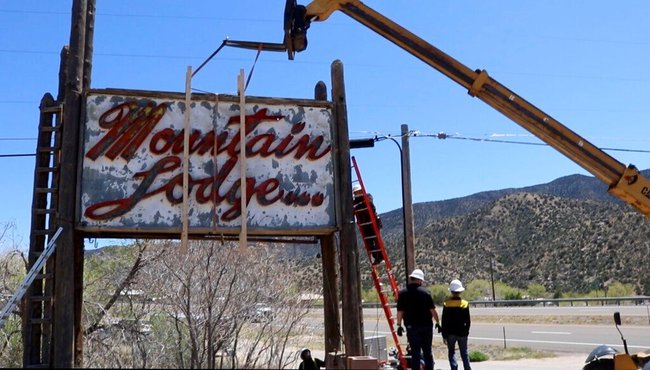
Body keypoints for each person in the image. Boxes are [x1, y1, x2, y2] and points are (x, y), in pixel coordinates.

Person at [396, 269, 440, 370]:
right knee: (427, 352)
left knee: (415, 353)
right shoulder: (425, 293)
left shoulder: (403, 293)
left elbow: (400, 311)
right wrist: (438, 322)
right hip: (426, 327)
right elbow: (432, 310)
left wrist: (399, 325)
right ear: (420, 280)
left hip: (411, 327)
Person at [441, 279, 472, 370]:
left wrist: (444, 335)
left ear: (451, 291)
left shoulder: (446, 304)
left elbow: (444, 321)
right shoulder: (465, 304)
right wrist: (466, 331)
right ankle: (467, 368)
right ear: (460, 291)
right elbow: (468, 321)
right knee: (464, 352)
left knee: (451, 352)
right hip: (462, 333)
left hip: (450, 333)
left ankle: (454, 368)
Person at [352, 184, 384, 265]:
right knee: (369, 242)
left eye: (359, 191)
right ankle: (376, 257)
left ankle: (381, 257)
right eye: (356, 193)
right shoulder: (355, 202)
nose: (358, 193)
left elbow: (370, 205)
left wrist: (357, 207)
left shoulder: (367, 196)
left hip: (372, 222)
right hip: (365, 224)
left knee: (377, 240)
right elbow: (352, 209)